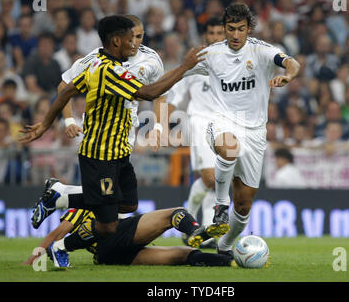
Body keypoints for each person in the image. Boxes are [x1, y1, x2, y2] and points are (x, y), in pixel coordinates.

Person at [19, 15, 209, 266]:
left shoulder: (103, 64)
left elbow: (67, 92)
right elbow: (149, 92)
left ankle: (61, 196)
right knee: (107, 226)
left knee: (128, 204)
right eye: (131, 39)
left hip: (120, 152)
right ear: (117, 41)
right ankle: (59, 245)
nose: (135, 44)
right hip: (100, 155)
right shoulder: (109, 71)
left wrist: (45, 123)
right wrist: (184, 67)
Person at [183, 3, 300, 257]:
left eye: (241, 29)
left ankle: (224, 247)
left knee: (245, 204)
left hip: (256, 132)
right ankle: (220, 206)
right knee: (228, 147)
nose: (235, 35)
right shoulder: (211, 54)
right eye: (231, 29)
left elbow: (292, 63)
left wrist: (288, 76)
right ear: (224, 29)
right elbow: (179, 73)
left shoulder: (262, 51)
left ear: (249, 29)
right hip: (222, 121)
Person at [161, 17, 226, 249]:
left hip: (227, 126)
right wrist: (161, 126)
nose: (216, 37)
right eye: (212, 33)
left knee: (217, 182)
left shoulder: (235, 64)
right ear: (205, 36)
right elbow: (173, 96)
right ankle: (190, 222)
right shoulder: (195, 64)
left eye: (221, 32)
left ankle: (202, 231)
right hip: (200, 123)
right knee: (210, 178)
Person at [23, 207, 236, 268]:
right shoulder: (82, 207)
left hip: (109, 257)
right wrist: (39, 252)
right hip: (118, 235)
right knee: (174, 214)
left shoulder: (102, 200)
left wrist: (38, 255)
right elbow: (57, 232)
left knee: (184, 255)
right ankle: (194, 230)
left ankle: (232, 262)